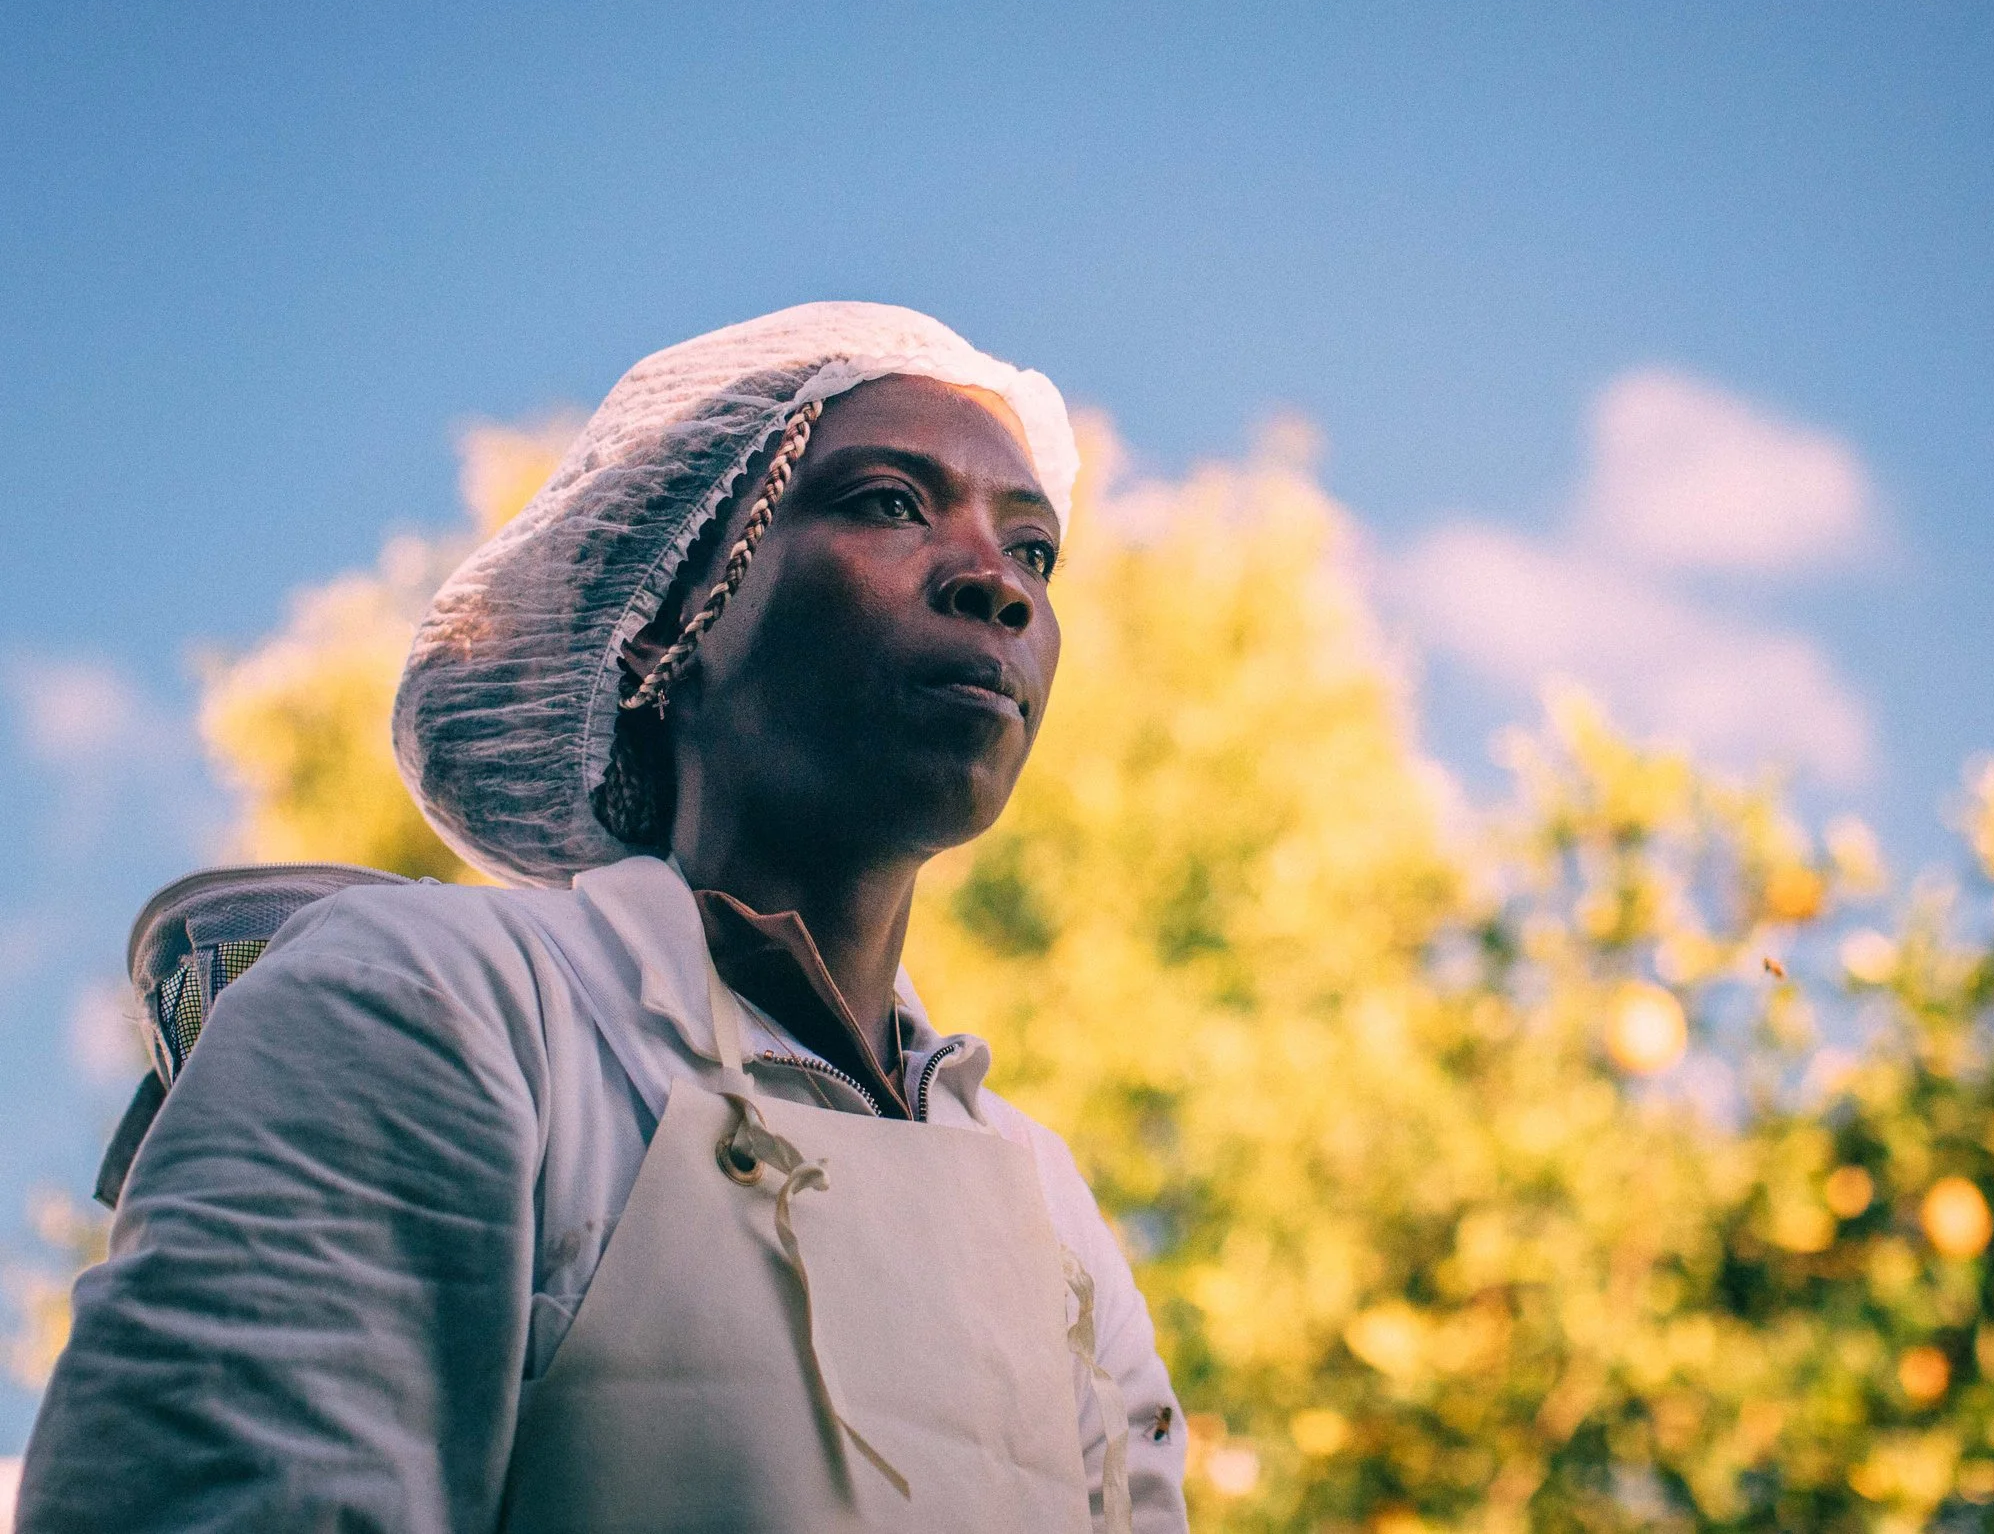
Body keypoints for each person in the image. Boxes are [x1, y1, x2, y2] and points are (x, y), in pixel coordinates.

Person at [21, 303, 1189, 1532]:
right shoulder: (438, 1005)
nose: (996, 583)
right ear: (665, 626)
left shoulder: (1047, 1198)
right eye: (890, 501)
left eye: (1036, 551)